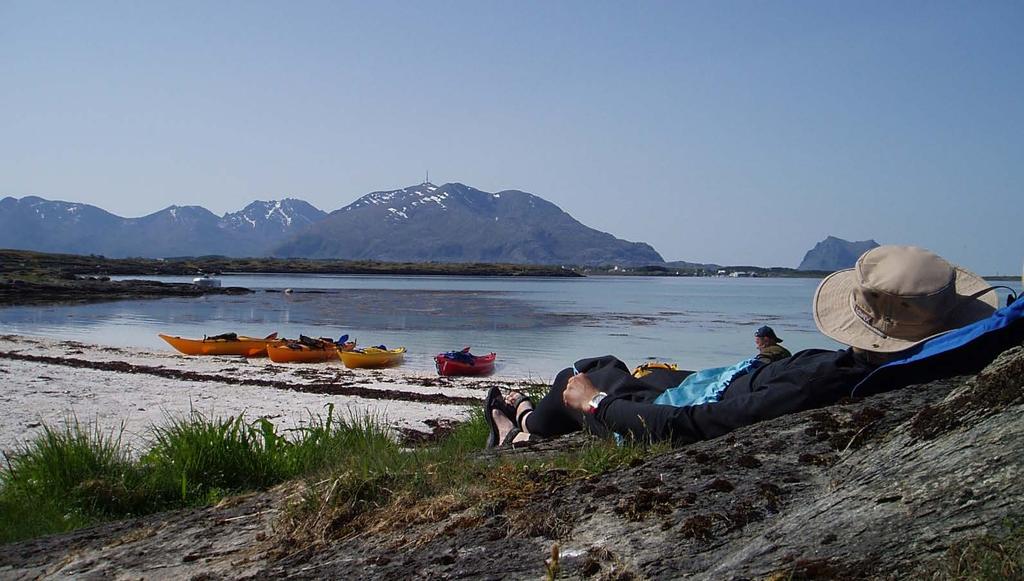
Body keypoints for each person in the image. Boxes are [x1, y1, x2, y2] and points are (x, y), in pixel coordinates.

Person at [484, 245, 999, 448]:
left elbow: (694, 427)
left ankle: (523, 426)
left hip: (686, 403)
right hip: (710, 380)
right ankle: (528, 419)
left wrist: (592, 404)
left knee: (584, 371)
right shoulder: (899, 363)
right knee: (619, 365)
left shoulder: (821, 381)